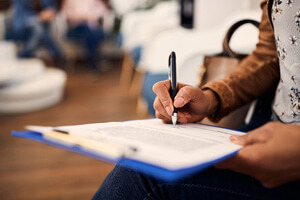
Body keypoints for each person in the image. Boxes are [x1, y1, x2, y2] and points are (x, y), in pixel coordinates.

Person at [92, 0, 300, 199]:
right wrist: (211, 97)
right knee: (146, 163)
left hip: (287, 154)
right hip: (269, 129)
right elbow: (269, 55)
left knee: (144, 177)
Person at [61, 0, 109, 73]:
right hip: (76, 27)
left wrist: (92, 15)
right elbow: (65, 13)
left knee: (90, 32)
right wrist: (80, 16)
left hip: (92, 27)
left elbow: (103, 9)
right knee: (88, 30)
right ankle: (95, 61)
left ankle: (92, 64)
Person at [10, 0, 64, 64]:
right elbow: (22, 13)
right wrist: (38, 17)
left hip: (42, 26)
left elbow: (52, 6)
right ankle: (57, 54)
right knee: (38, 28)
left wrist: (50, 11)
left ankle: (23, 56)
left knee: (39, 30)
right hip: (23, 24)